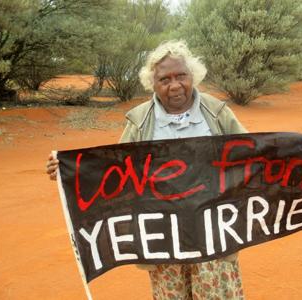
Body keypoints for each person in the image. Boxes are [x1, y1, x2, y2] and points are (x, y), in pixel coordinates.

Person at [47, 40, 246, 299]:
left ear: (193, 76)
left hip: (212, 232)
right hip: (163, 235)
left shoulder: (217, 112)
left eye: (181, 76)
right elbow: (115, 170)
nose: (174, 85)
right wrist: (68, 171)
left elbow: (253, 154)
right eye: (164, 79)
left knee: (217, 295)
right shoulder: (140, 121)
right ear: (153, 84)